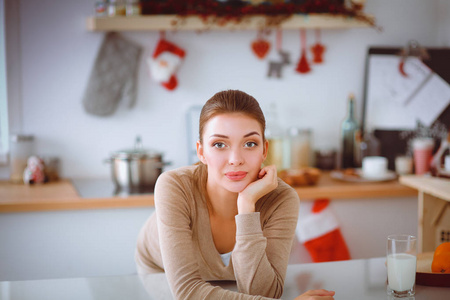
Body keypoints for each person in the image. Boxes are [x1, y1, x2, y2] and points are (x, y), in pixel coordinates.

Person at [136, 90, 335, 300]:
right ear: (201, 151)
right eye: (219, 144)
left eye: (250, 144)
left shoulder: (281, 199)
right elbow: (187, 292)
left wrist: (247, 205)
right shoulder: (174, 186)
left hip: (231, 285)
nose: (235, 159)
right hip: (163, 276)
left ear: (264, 150)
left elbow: (265, 293)